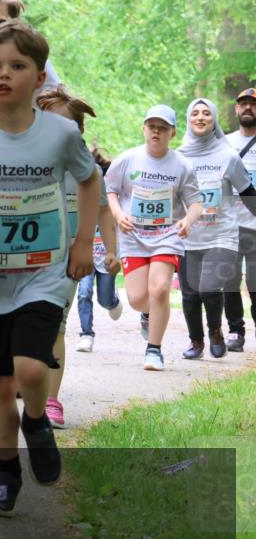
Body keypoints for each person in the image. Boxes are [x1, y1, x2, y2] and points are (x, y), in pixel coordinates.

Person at [0, 22, 100, 516]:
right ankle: (6, 471)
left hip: (44, 271)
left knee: (31, 367)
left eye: (17, 66)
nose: (4, 75)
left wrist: (81, 243)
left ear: (39, 76)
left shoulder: (60, 132)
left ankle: (37, 419)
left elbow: (91, 183)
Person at [35, 86, 119, 429]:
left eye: (65, 125)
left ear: (77, 132)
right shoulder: (22, 163)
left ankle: (51, 401)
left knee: (54, 327)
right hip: (21, 258)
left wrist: (111, 251)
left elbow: (104, 215)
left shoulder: (88, 172)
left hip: (66, 262)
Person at [104, 104, 203, 371]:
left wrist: (188, 220)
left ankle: (154, 350)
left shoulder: (182, 164)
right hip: (134, 236)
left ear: (172, 133)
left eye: (162, 128)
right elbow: (109, 189)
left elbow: (195, 202)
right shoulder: (127, 159)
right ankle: (150, 313)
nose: (156, 132)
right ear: (144, 129)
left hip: (167, 236)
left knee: (159, 289)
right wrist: (117, 214)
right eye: (152, 127)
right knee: (138, 298)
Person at [177, 98, 256, 359]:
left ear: (213, 121)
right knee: (189, 295)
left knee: (209, 288)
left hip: (222, 235)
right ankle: (196, 342)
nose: (200, 117)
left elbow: (248, 194)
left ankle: (216, 332)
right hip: (188, 236)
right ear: (188, 119)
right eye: (195, 113)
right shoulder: (178, 156)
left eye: (206, 113)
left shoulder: (228, 156)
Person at [224, 87, 256, 351]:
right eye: (243, 104)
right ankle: (235, 331)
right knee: (229, 279)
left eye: (253, 104)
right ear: (236, 109)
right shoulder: (224, 143)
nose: (248, 108)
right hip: (229, 225)